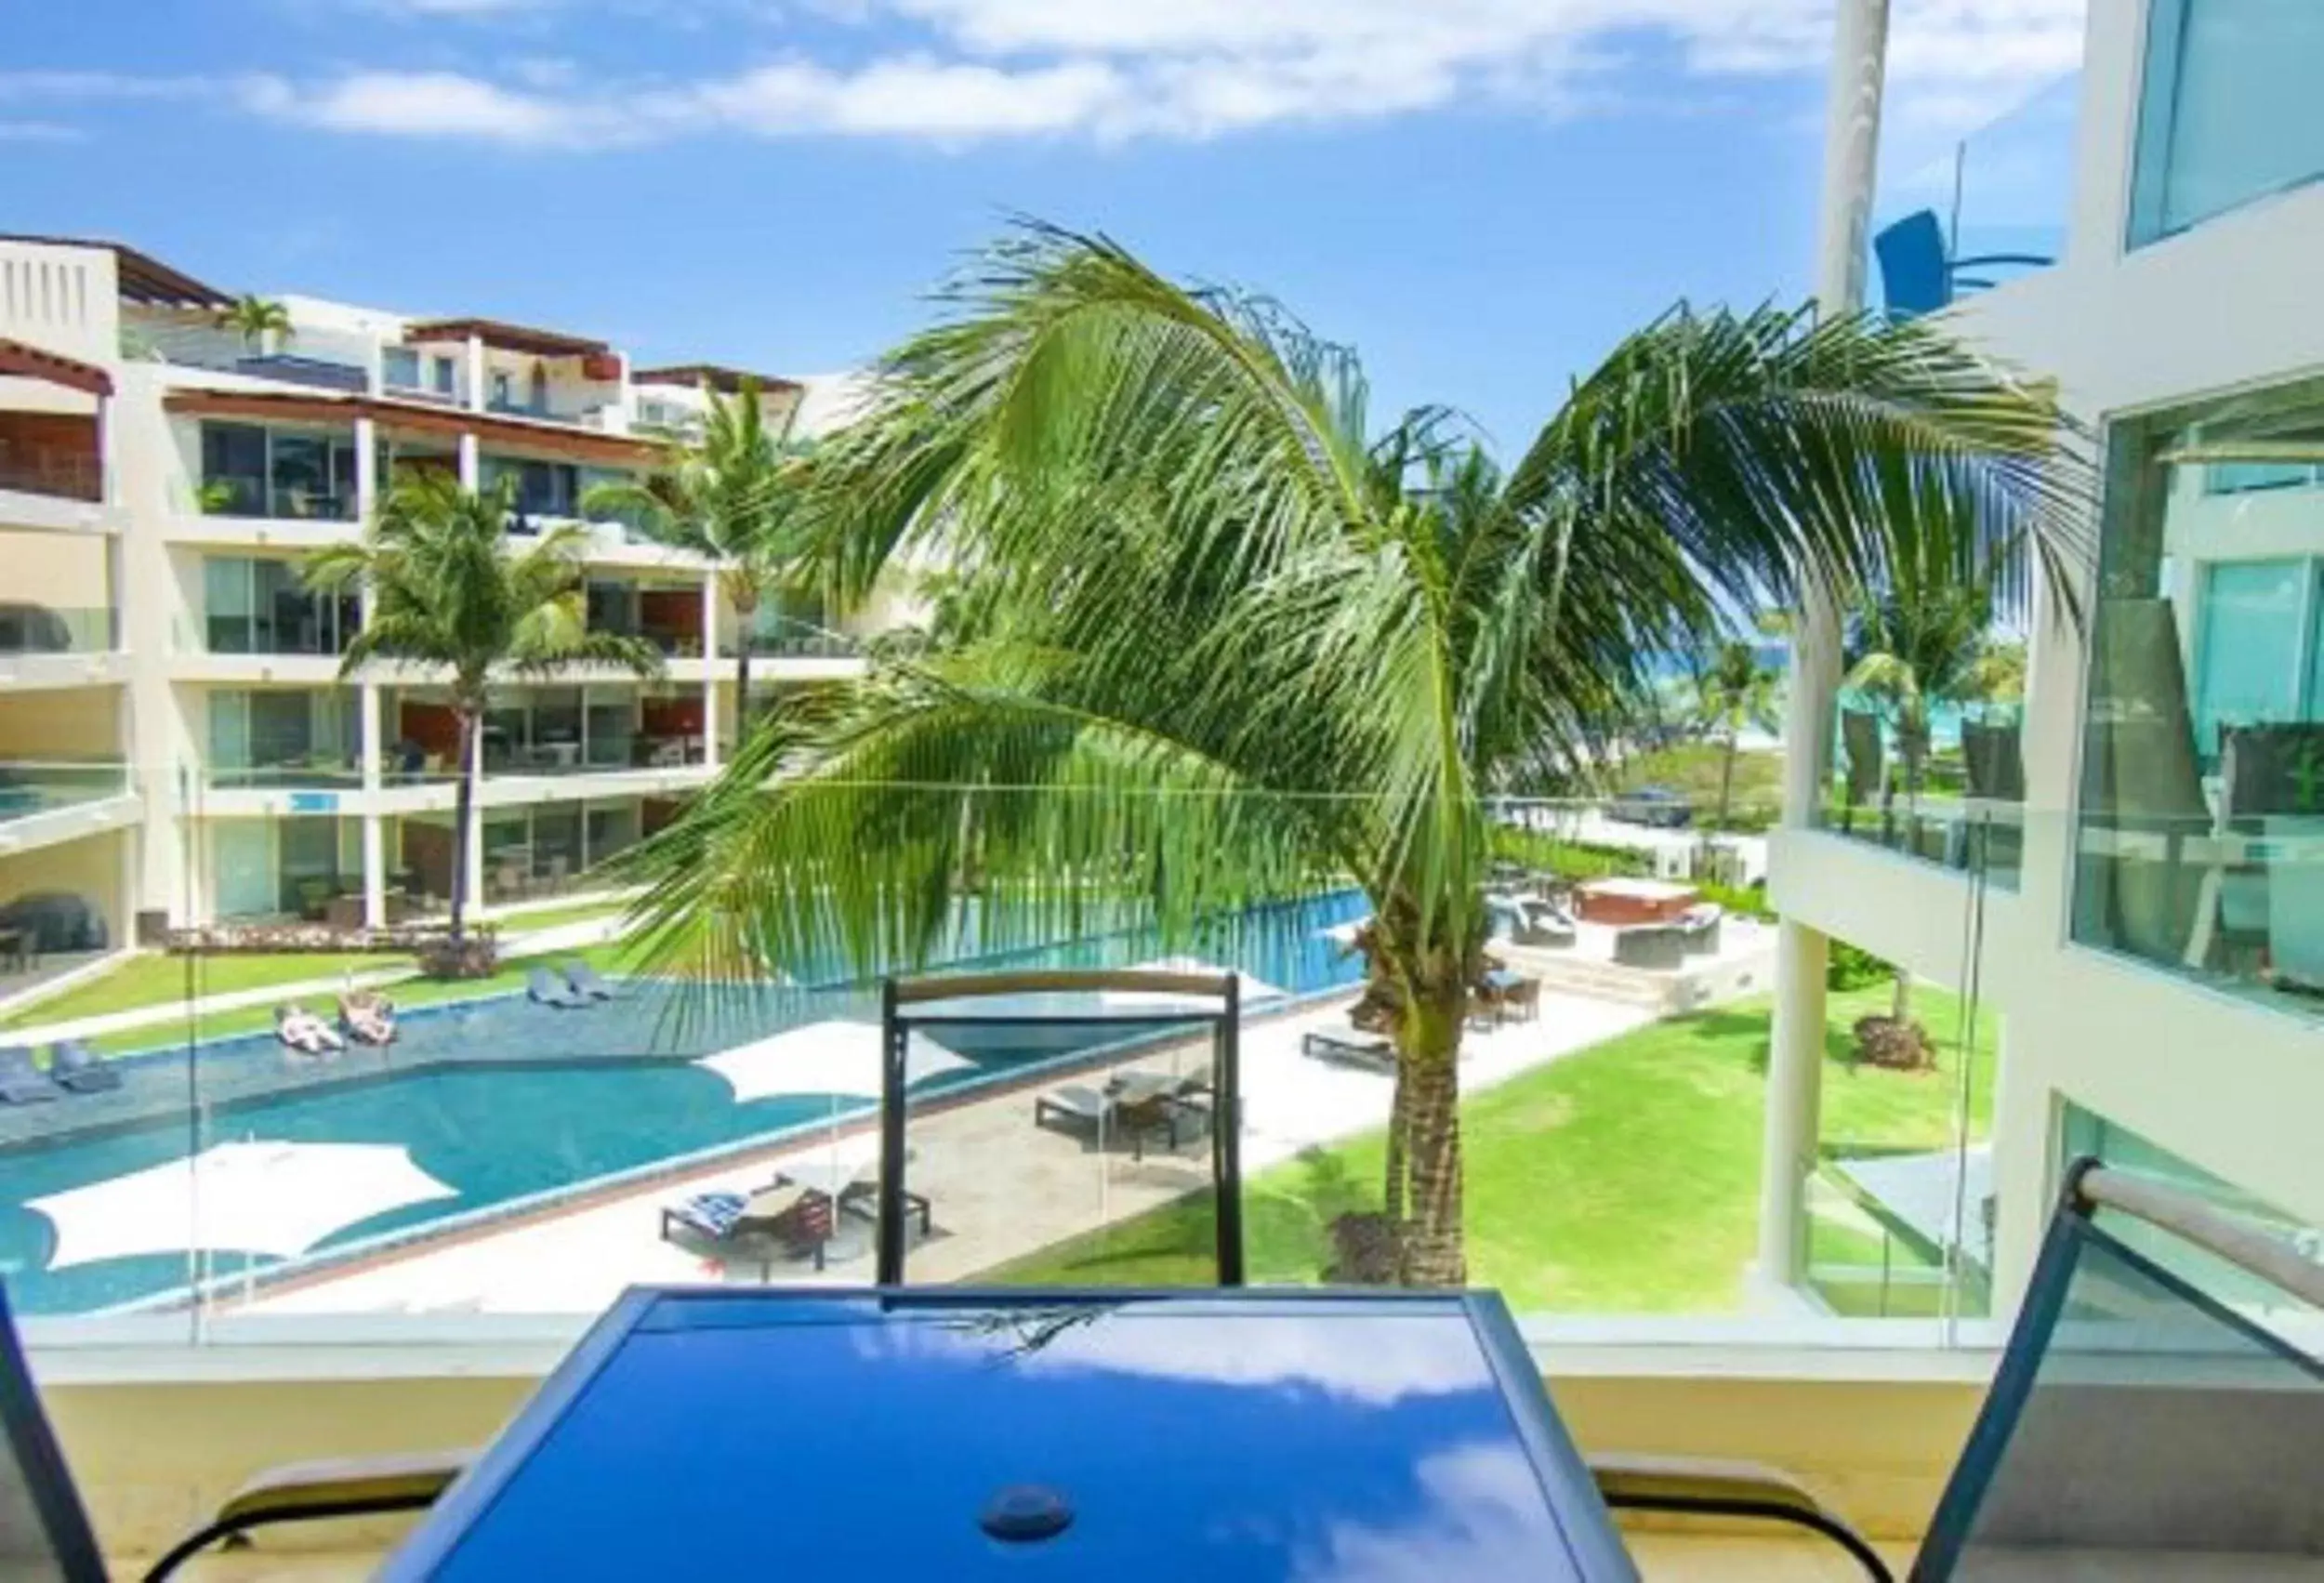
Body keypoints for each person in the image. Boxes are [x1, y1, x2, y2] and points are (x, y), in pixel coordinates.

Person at [275, 1002, 343, 1058]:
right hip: (300, 1035)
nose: (296, 1011)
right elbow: (285, 1032)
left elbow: (320, 1024)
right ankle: (314, 1049)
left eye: (297, 1009)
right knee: (310, 1035)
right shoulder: (289, 1021)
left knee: (324, 1032)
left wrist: (320, 1026)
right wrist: (291, 1040)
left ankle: (338, 1044)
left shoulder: (308, 1017)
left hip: (314, 1032)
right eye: (294, 1010)